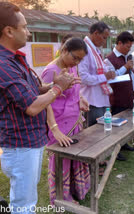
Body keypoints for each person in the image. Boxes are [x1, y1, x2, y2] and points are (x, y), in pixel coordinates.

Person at [0, 2, 76, 213]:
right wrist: (58, 89)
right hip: (21, 145)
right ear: (8, 31)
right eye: (24, 27)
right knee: (23, 205)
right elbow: (32, 107)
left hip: (29, 141)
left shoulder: (13, 59)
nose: (29, 31)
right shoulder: (0, 65)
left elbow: (33, 91)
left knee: (28, 199)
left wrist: (54, 85)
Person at [41, 38, 90, 205]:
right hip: (59, 123)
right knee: (61, 160)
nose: (76, 62)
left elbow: (75, 87)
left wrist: (81, 99)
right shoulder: (51, 71)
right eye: (75, 57)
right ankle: (62, 198)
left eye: (80, 60)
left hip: (74, 119)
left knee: (76, 156)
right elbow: (45, 102)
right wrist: (54, 128)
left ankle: (77, 189)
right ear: (64, 50)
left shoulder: (72, 67)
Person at [103, 31, 134, 157]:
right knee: (116, 124)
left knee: (126, 123)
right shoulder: (109, 59)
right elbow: (112, 78)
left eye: (130, 47)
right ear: (119, 43)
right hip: (117, 97)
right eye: (127, 46)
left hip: (128, 95)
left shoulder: (127, 57)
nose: (129, 49)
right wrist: (125, 66)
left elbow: (127, 75)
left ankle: (124, 144)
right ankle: (115, 150)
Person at [78, 21, 116, 127]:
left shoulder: (95, 49)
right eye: (104, 38)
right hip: (92, 100)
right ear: (96, 33)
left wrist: (109, 71)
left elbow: (99, 69)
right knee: (95, 135)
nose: (105, 42)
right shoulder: (84, 49)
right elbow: (83, 77)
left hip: (100, 98)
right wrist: (105, 76)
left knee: (104, 131)